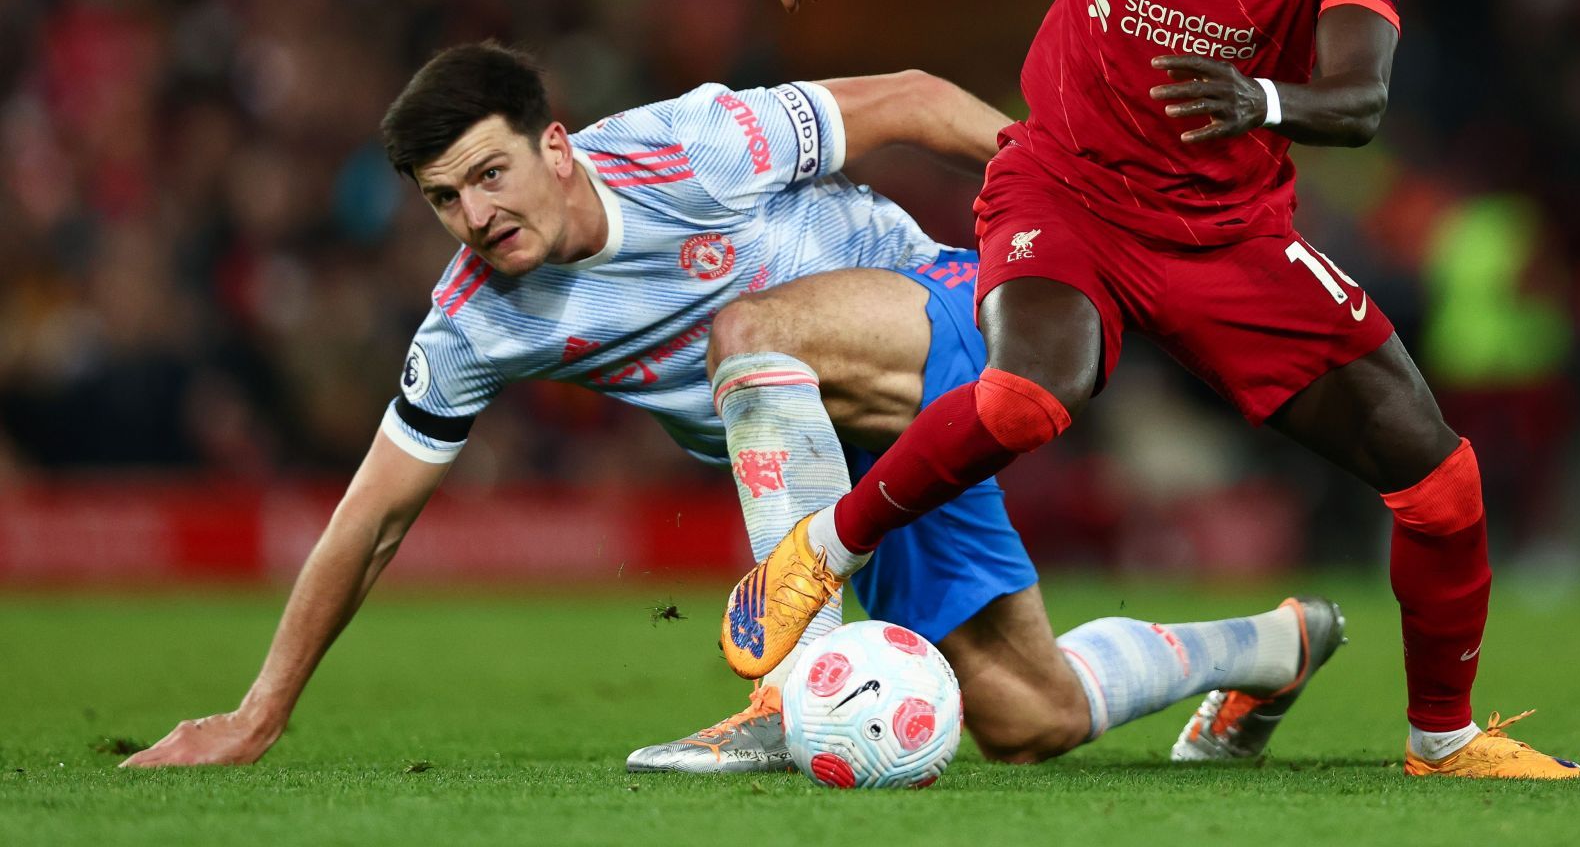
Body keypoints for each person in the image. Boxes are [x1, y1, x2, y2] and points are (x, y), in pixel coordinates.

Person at [724, 0, 1580, 779]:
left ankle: (1443, 738)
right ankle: (814, 553)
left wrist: (1262, 97)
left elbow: (1362, 92)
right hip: (1066, 188)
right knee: (1033, 390)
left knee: (1440, 480)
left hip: (1229, 236)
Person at [123, 42, 1346, 773]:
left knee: (745, 329)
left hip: (946, 309)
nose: (477, 215)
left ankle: (787, 689)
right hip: (863, 443)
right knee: (1029, 717)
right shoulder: (471, 322)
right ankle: (1278, 646)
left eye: (491, 172)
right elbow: (371, 516)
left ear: (556, 145)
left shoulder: (690, 147)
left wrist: (1069, 208)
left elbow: (917, 96)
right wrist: (258, 710)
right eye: (445, 198)